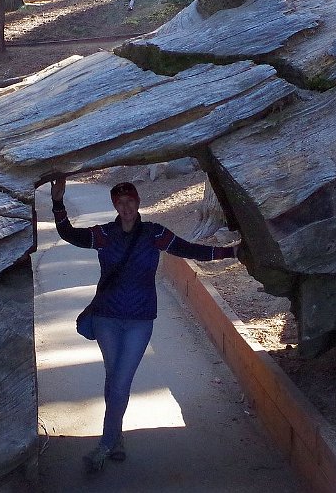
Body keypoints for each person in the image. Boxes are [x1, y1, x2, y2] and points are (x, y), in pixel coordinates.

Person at [49, 176, 241, 473]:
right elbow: (69, 234)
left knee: (121, 381)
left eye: (131, 201)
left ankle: (104, 445)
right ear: (115, 205)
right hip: (106, 317)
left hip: (139, 319)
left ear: (138, 203)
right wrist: (58, 202)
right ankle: (117, 438)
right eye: (120, 203)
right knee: (114, 378)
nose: (126, 207)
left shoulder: (154, 234)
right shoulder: (105, 234)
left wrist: (230, 252)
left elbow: (189, 250)